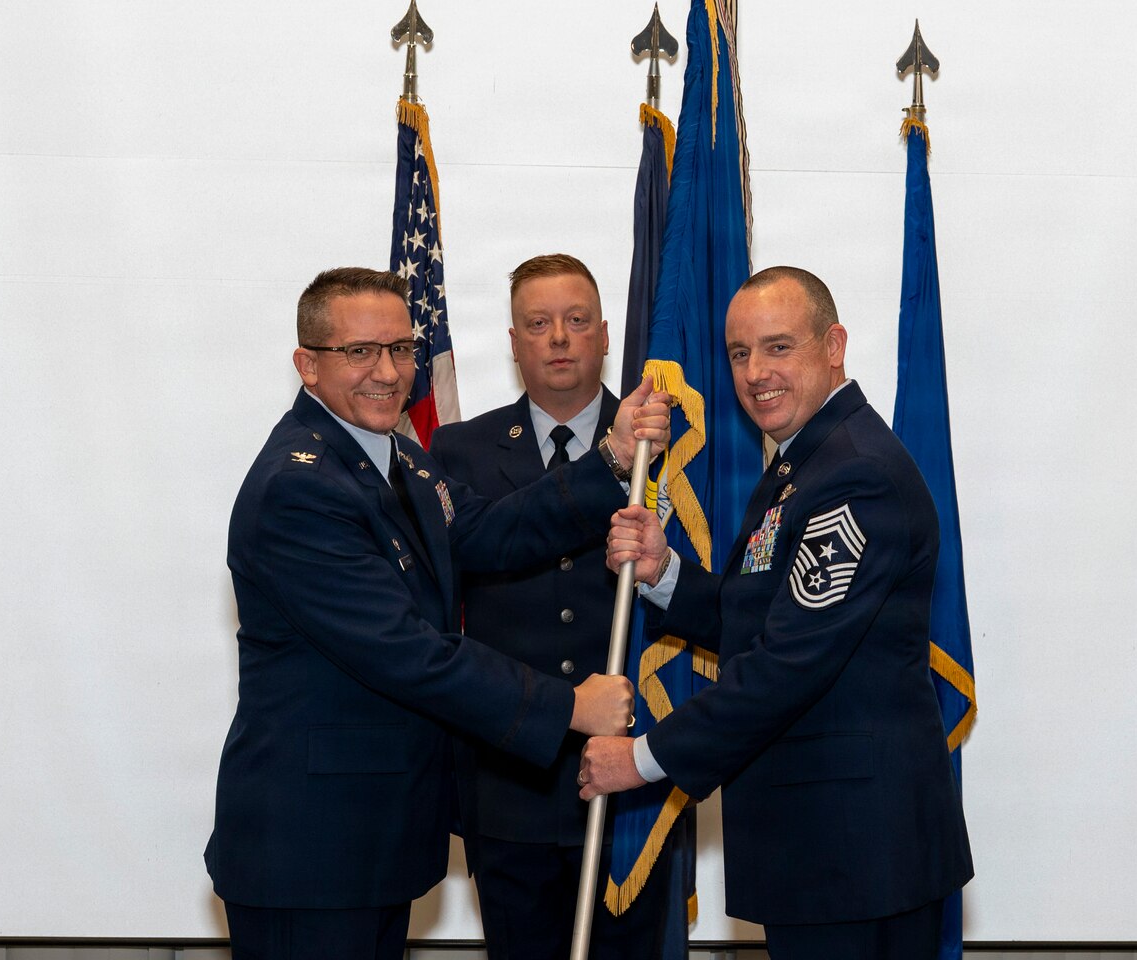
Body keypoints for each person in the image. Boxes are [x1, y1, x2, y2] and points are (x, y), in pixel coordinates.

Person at [205, 267, 670, 960]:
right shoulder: (299, 488)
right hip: (312, 849)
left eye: (400, 348)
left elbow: (493, 531)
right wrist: (570, 706)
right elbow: (407, 651)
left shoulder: (394, 459)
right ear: (308, 365)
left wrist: (613, 457)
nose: (387, 372)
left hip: (369, 841)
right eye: (359, 352)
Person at [579, 266, 973, 960]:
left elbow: (787, 665)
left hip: (855, 854)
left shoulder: (855, 475)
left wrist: (641, 759)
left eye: (779, 347)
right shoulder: (805, 462)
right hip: (824, 849)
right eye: (740, 353)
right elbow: (765, 615)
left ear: (835, 346)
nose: (756, 372)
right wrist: (665, 575)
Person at [430, 254, 683, 960]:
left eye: (576, 320)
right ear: (513, 344)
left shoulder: (669, 446)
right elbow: (469, 567)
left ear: (605, 334)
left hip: (636, 777)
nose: (560, 338)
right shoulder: (458, 450)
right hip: (512, 785)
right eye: (538, 324)